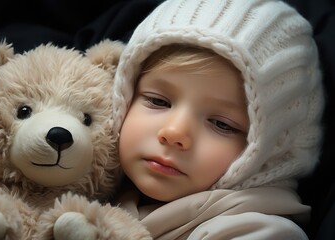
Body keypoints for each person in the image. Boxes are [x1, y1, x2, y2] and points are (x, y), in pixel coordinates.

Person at [112, 0, 325, 239]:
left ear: (269, 154)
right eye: (158, 101)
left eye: (222, 124)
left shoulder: (260, 232)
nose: (174, 132)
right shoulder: (95, 186)